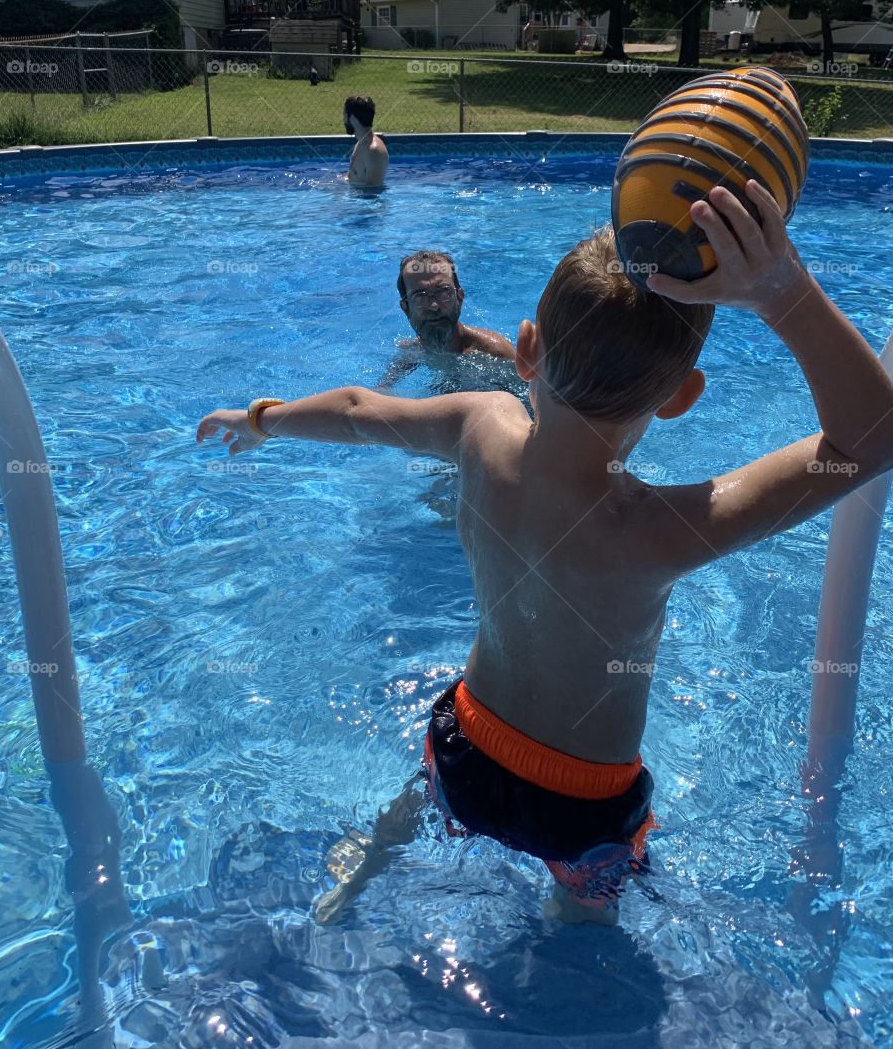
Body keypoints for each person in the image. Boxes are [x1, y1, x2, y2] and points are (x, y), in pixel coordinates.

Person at [196, 179, 893, 924]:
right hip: (583, 804)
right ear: (681, 396)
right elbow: (871, 435)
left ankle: (360, 875)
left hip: (465, 744)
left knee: (416, 801)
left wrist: (263, 419)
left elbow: (360, 410)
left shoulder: (480, 427)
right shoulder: (669, 528)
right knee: (586, 928)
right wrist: (782, 290)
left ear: (526, 349)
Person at [377, 250, 516, 392]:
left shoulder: (495, 353)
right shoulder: (413, 351)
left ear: (459, 298)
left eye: (443, 292)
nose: (434, 306)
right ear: (406, 308)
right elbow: (380, 391)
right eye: (420, 297)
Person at [344, 96, 389, 187]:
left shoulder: (374, 151)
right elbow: (351, 177)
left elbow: (373, 190)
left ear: (352, 118)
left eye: (344, 115)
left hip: (361, 200)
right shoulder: (361, 143)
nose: (343, 119)